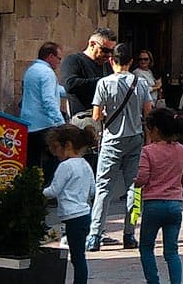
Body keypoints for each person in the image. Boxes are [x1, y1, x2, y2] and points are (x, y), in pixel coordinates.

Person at [87, 41, 156, 251]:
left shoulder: (104, 83)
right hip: (135, 138)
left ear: (111, 60)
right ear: (131, 61)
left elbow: (96, 115)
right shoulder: (141, 82)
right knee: (133, 189)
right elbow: (148, 112)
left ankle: (95, 235)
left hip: (111, 139)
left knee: (103, 188)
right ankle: (129, 234)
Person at [136, 107, 183, 284]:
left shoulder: (148, 151)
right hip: (175, 205)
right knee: (171, 251)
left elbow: (142, 178)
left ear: (156, 130)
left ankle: (153, 281)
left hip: (153, 205)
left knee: (146, 247)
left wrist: (134, 182)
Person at [43, 125, 97, 284]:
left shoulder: (65, 166)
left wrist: (37, 192)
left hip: (72, 216)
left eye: (56, 148)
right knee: (79, 255)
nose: (55, 153)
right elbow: (93, 190)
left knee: (77, 257)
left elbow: (53, 190)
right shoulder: (84, 164)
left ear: (67, 145)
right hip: (84, 214)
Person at [21, 41, 69, 171]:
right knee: (53, 162)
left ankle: (33, 189)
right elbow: (48, 100)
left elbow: (51, 90)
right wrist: (60, 123)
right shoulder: (47, 73)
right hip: (45, 126)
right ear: (50, 56)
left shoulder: (31, 71)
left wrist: (70, 92)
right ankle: (48, 190)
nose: (59, 63)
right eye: (58, 59)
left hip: (29, 125)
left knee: (32, 164)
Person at [62, 28, 115, 113]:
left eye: (111, 51)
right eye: (105, 50)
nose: (109, 55)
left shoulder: (108, 65)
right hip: (84, 118)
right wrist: (103, 82)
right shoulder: (74, 60)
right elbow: (70, 84)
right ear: (92, 44)